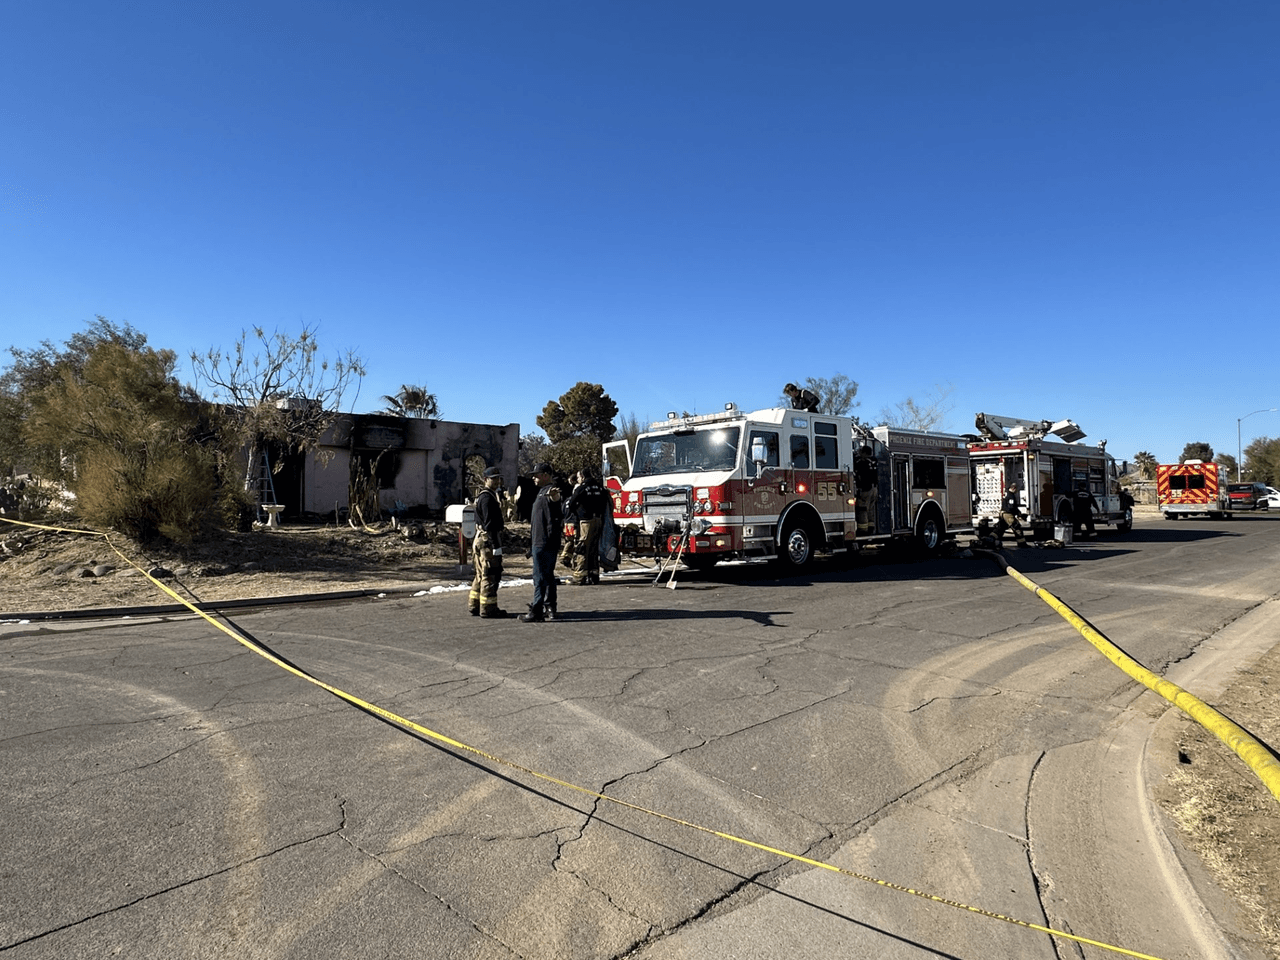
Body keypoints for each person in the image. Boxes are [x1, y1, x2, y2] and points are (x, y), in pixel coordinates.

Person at [523, 463, 563, 622]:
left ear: (546, 475)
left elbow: (556, 499)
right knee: (547, 575)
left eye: (537, 474)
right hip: (540, 540)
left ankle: (537, 610)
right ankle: (550, 608)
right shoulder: (541, 492)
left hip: (544, 542)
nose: (533, 477)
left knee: (539, 577)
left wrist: (554, 496)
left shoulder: (550, 492)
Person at [468, 466, 510, 618]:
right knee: (490, 574)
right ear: (486, 480)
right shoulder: (487, 498)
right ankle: (488, 608)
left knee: (480, 575)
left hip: (481, 538)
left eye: (498, 478)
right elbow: (490, 523)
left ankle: (475, 605)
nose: (497, 481)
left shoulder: (486, 496)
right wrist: (496, 546)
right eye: (493, 478)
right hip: (487, 540)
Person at [562, 468, 609, 585]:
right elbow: (606, 502)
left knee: (582, 548)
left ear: (582, 477)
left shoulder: (582, 488)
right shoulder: (599, 487)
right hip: (599, 521)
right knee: (593, 548)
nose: (577, 480)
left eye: (578, 477)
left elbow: (572, 503)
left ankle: (579, 576)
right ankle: (594, 575)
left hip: (586, 522)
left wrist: (578, 513)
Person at [993, 482, 1030, 548]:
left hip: (1003, 514)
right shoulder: (1011, 496)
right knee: (1016, 527)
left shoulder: (1006, 494)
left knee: (1000, 528)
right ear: (1013, 488)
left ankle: (991, 540)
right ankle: (1022, 543)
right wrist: (1019, 514)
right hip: (1008, 515)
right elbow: (1011, 507)